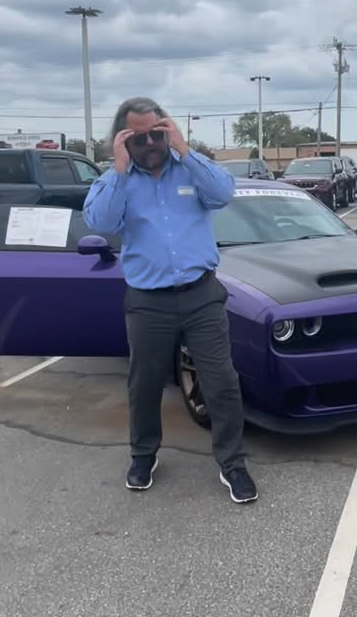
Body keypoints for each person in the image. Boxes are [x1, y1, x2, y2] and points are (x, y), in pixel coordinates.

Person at [83, 97, 258, 504]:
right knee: (144, 386)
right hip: (148, 302)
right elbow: (103, 222)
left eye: (155, 133)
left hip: (201, 297)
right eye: (138, 136)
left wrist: (184, 147)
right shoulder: (117, 180)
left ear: (166, 130)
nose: (149, 142)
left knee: (222, 383)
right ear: (122, 139)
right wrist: (120, 169)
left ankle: (232, 463)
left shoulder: (189, 170)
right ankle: (143, 455)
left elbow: (223, 194)